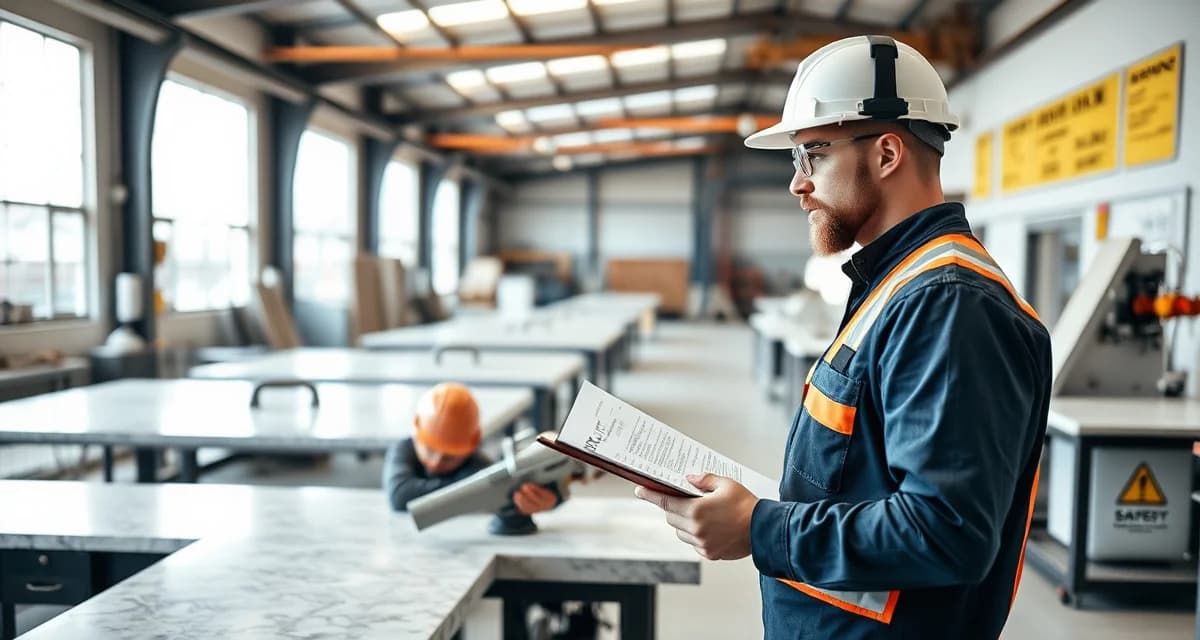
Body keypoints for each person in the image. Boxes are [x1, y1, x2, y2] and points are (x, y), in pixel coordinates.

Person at [635, 35, 1052, 639]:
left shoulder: (946, 304)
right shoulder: (897, 285)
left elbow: (946, 531)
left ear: (887, 154)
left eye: (813, 156)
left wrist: (760, 528)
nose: (797, 185)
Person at [383, 382, 559, 516]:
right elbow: (400, 496)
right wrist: (472, 490)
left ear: (471, 447)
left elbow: (505, 491)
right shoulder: (404, 448)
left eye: (449, 458)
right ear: (415, 434)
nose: (436, 463)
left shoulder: (478, 463)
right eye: (429, 451)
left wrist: (552, 498)